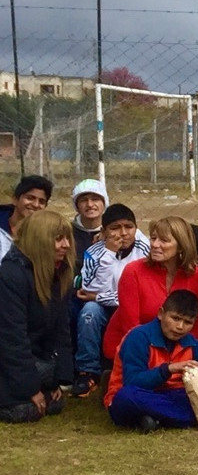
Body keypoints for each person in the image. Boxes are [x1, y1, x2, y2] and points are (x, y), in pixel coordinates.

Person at [104, 290, 198, 432]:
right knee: (126, 396)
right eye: (175, 318)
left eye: (188, 322)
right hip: (145, 393)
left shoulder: (189, 341)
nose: (180, 327)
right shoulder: (138, 337)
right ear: (161, 314)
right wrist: (168, 369)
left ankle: (157, 419)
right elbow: (132, 381)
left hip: (174, 395)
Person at [102, 217, 198, 363]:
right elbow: (131, 327)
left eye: (163, 240)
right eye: (153, 238)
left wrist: (184, 354)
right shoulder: (133, 271)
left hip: (175, 352)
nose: (154, 244)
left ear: (181, 246)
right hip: (132, 348)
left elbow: (196, 325)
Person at [0, 210, 74, 423]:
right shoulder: (10, 276)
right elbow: (12, 339)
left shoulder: (57, 274)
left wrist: (59, 380)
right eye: (58, 239)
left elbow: (61, 330)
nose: (66, 245)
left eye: (67, 238)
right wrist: (31, 389)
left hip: (35, 358)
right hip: (7, 358)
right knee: (25, 411)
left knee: (54, 403)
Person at [71, 204, 150, 397]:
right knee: (89, 312)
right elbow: (89, 289)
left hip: (134, 304)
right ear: (104, 231)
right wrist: (109, 254)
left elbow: (141, 293)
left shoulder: (144, 249)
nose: (123, 233)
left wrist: (99, 297)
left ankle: (142, 365)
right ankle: (88, 372)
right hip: (103, 307)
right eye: (115, 228)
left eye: (129, 227)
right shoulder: (94, 253)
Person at [0, 174, 52, 255]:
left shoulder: (45, 235)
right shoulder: (2, 230)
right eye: (30, 198)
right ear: (15, 200)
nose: (36, 205)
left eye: (41, 202)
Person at [69, 179, 107, 258]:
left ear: (104, 203)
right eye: (83, 200)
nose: (90, 204)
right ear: (77, 206)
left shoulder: (113, 231)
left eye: (95, 199)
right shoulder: (67, 232)